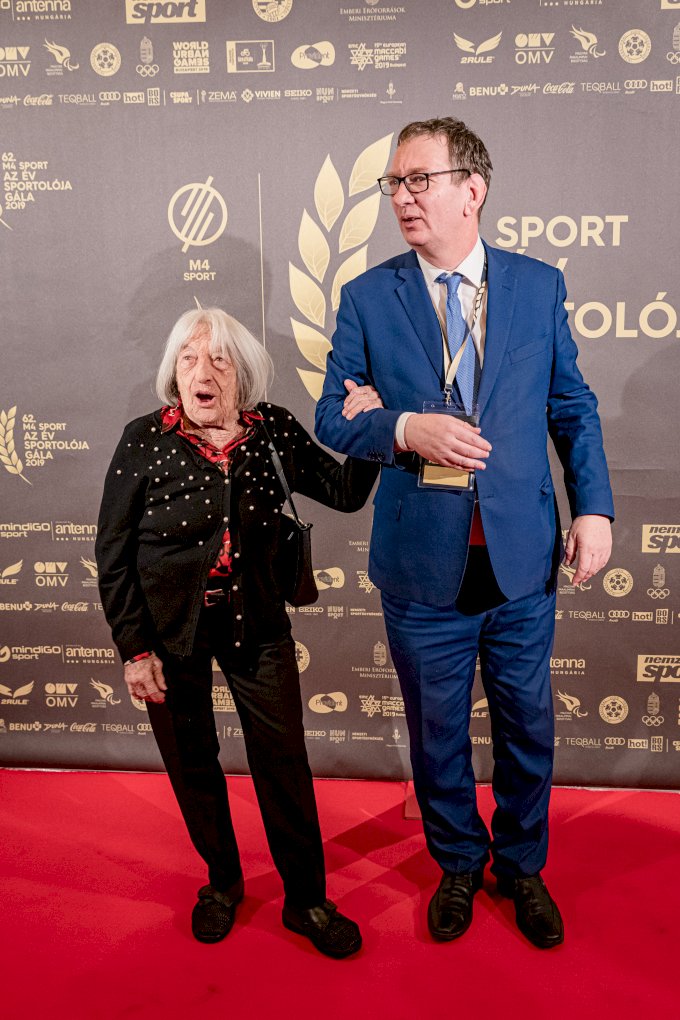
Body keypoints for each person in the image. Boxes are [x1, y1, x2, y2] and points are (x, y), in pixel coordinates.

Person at [316, 118, 614, 949]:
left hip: (520, 558)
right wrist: (402, 427)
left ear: (472, 189)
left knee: (528, 728)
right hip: (422, 565)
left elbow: (571, 407)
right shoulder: (368, 297)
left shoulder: (537, 286)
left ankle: (521, 865)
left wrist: (593, 509)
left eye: (419, 180)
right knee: (437, 733)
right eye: (394, 184)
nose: (402, 198)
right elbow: (332, 416)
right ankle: (456, 863)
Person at [95, 307, 379, 957]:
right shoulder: (144, 440)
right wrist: (134, 648)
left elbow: (342, 491)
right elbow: (112, 553)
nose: (203, 372)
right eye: (189, 358)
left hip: (259, 623)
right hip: (170, 632)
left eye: (219, 359)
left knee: (284, 763)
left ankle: (306, 900)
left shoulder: (272, 428)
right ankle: (222, 882)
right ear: (174, 372)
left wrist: (368, 431)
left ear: (242, 373)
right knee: (193, 762)